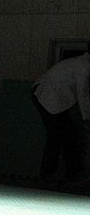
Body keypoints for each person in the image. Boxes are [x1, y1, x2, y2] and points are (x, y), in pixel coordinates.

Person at [32, 41, 90, 184]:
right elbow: (82, 94)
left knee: (68, 134)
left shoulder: (80, 63)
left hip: (51, 95)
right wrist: (86, 119)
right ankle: (51, 174)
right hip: (46, 95)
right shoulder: (83, 66)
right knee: (57, 135)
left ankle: (68, 173)